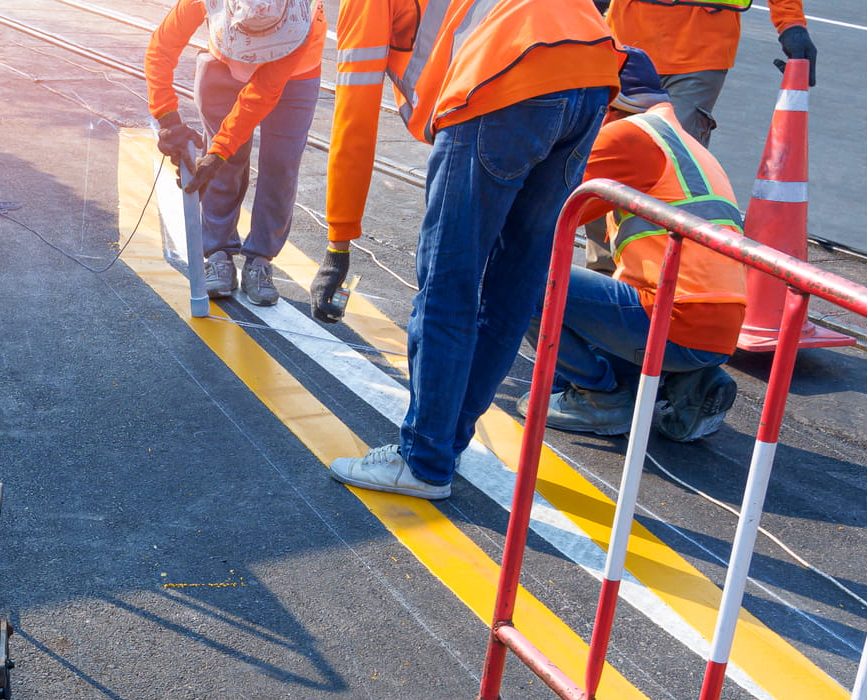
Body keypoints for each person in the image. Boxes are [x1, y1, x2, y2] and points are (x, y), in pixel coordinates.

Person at [319, 0, 624, 501]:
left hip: (504, 78)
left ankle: (423, 461)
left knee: (448, 284)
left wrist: (339, 240)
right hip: (590, 67)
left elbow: (354, 115)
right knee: (513, 287)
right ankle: (443, 445)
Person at [530, 48, 745, 444]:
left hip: (673, 318)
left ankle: (600, 399)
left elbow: (543, 210)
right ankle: (688, 381)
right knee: (583, 319)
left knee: (521, 280)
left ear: (607, 102)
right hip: (716, 326)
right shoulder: (678, 139)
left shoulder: (628, 135)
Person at [145, 0, 326, 306]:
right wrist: (167, 118)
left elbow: (259, 95)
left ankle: (260, 260)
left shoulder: (303, 20)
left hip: (294, 76)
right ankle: (218, 252)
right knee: (224, 168)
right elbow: (161, 49)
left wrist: (218, 152)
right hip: (222, 66)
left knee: (280, 166)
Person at [604, 0, 815, 146]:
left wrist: (791, 23)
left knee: (675, 157)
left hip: (701, 53)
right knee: (608, 151)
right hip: (627, 45)